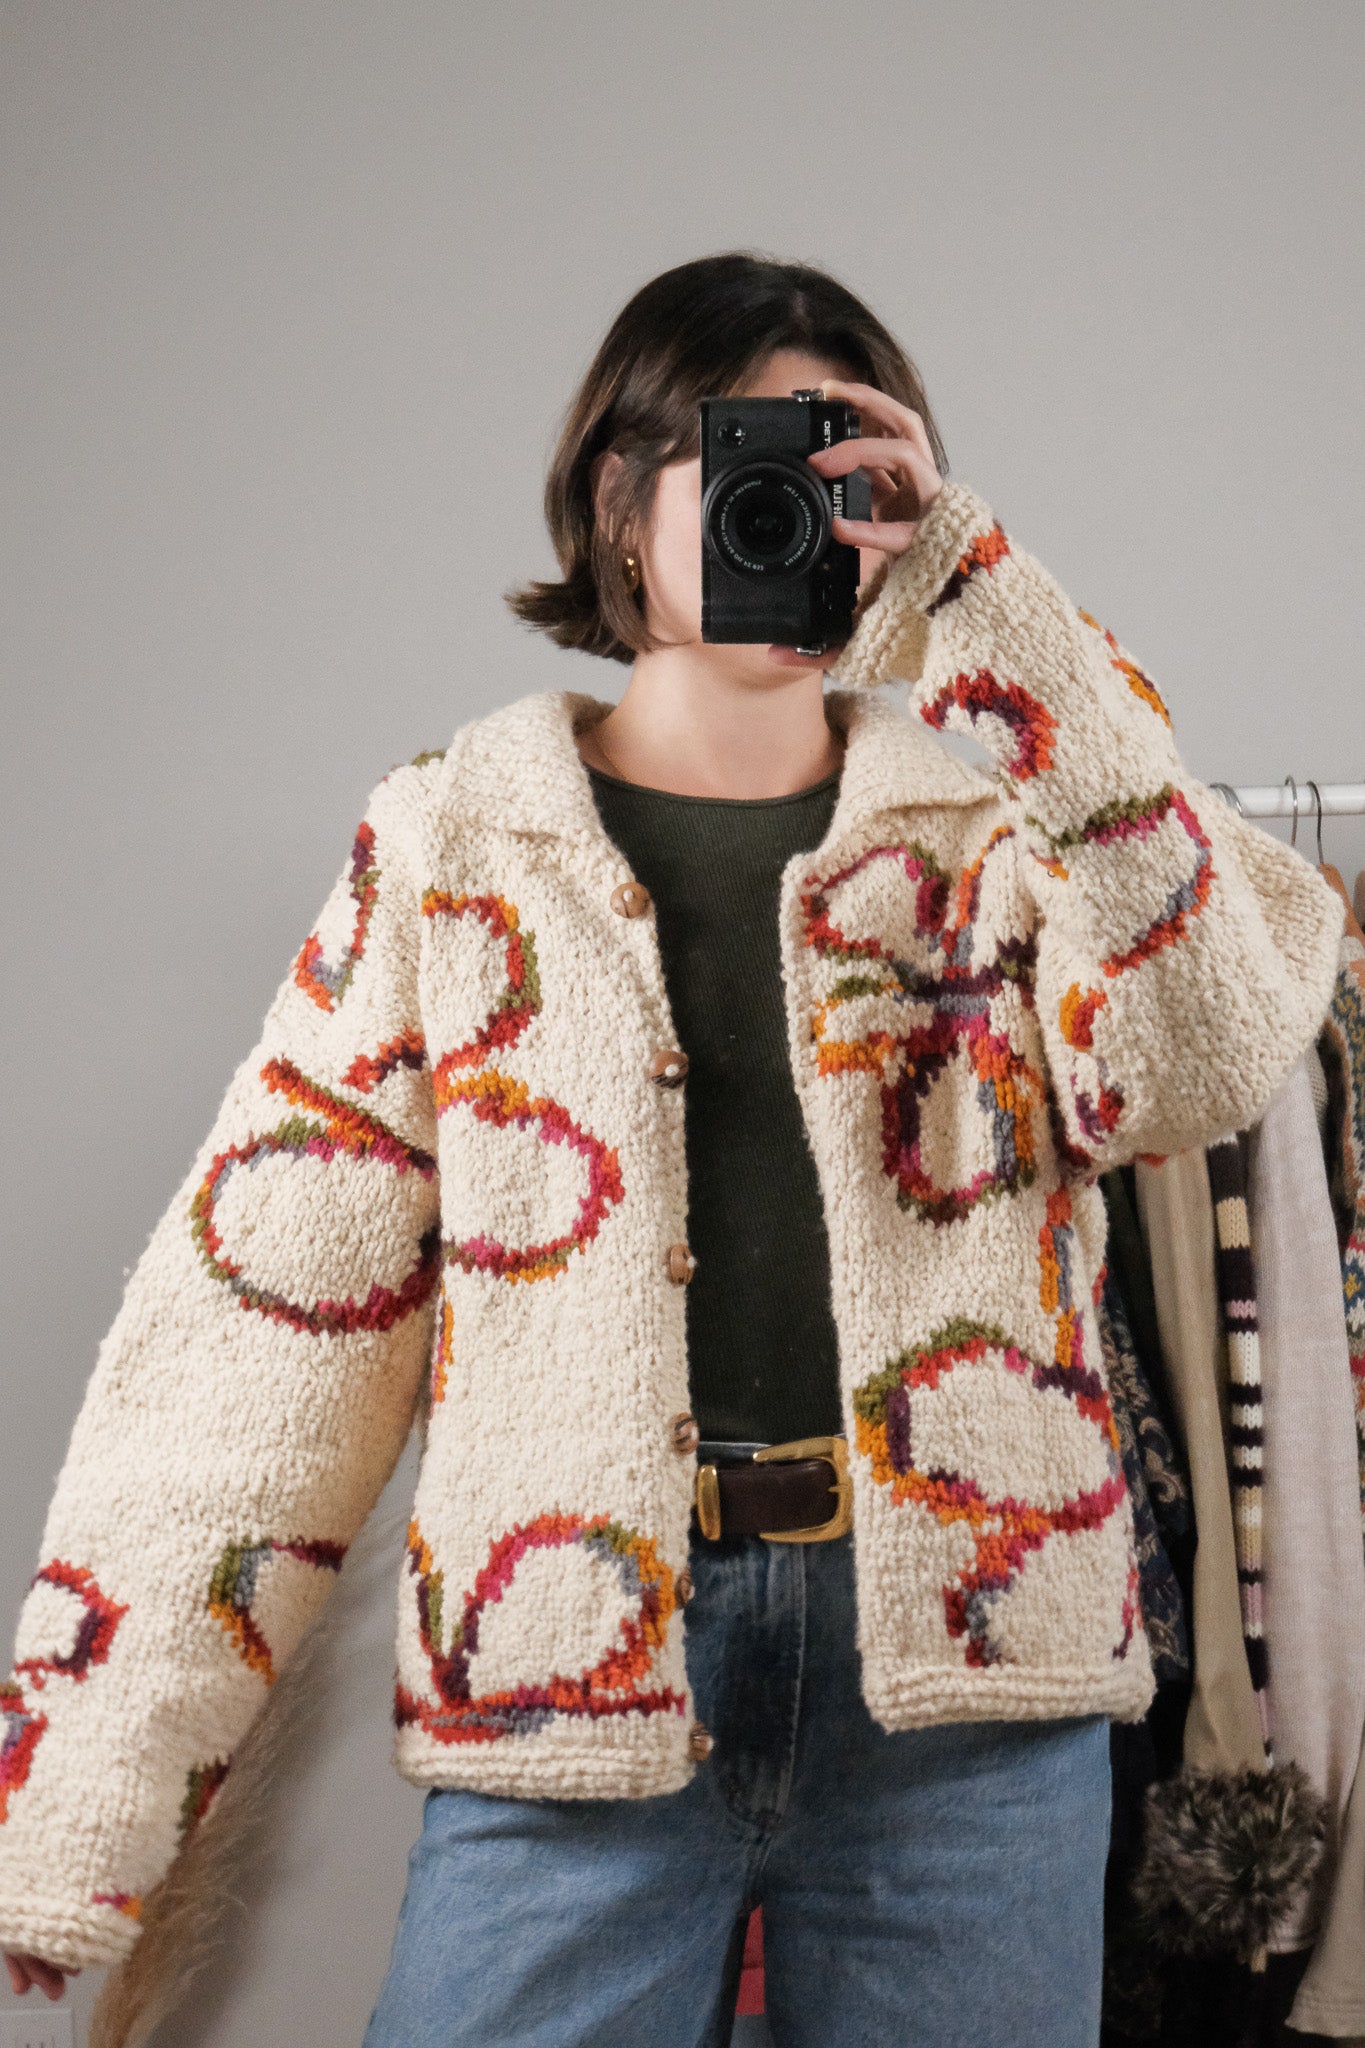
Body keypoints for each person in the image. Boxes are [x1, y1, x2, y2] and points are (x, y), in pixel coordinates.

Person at [1, 254, 1345, 2046]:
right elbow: (260, 1335)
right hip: (567, 1670)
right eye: (749, 467)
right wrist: (79, 1804)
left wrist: (984, 607)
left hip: (974, 1690)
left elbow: (1206, 1051)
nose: (800, 516)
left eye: (849, 479)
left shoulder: (1000, 841)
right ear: (618, 502)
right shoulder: (454, 846)